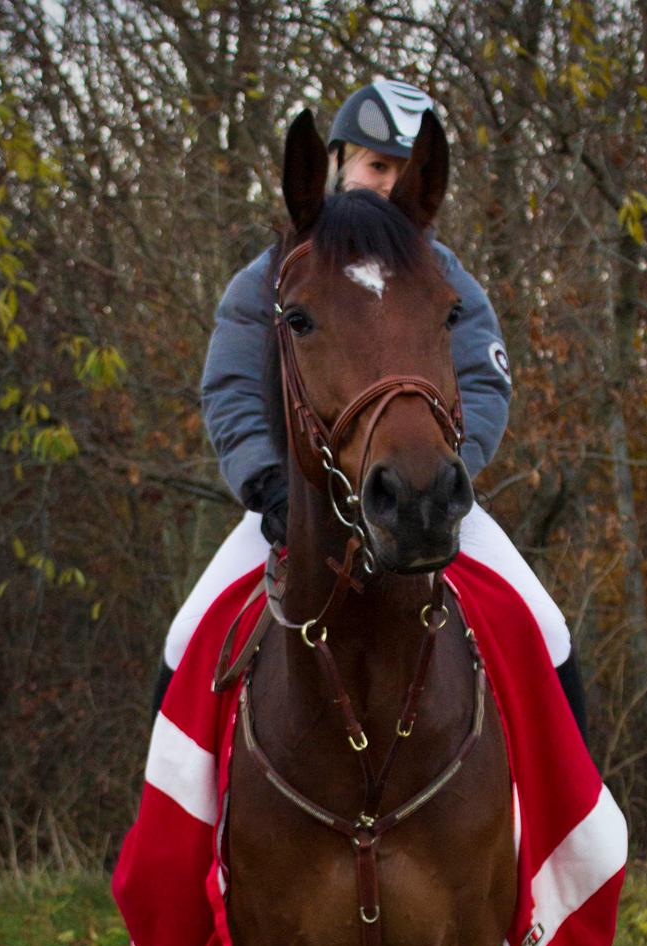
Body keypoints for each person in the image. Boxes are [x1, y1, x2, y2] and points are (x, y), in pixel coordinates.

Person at [153, 78, 586, 738]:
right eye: (376, 165)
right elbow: (232, 390)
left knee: (547, 632)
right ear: (335, 164)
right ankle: (180, 835)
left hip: (425, 499)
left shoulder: (441, 275)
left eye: (402, 171)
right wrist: (270, 491)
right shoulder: (270, 277)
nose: (387, 183)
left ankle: (564, 833)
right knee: (185, 641)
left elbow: (483, 381)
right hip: (293, 509)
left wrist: (439, 477)